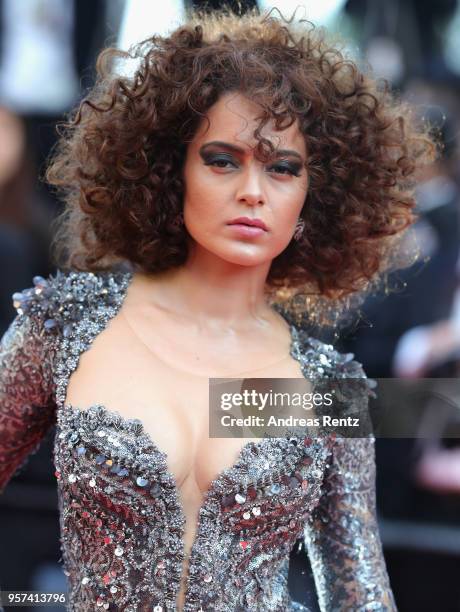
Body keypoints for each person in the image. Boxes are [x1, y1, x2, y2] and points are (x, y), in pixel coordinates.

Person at [0, 9, 434, 612]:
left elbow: (361, 594)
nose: (253, 191)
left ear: (318, 195)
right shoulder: (66, 326)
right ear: (168, 170)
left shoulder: (328, 387)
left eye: (283, 168)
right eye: (223, 159)